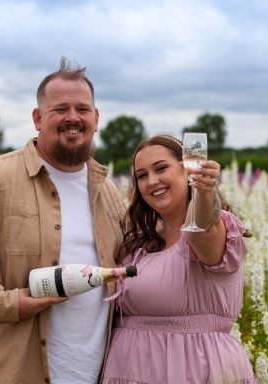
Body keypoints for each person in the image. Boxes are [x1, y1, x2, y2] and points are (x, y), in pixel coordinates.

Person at [0, 58, 126, 384]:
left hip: (93, 373)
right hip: (6, 372)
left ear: (96, 118)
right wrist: (8, 303)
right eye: (60, 109)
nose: (73, 118)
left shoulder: (109, 192)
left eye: (83, 109)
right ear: (37, 118)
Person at [102, 135, 257, 383]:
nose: (152, 181)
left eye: (161, 168)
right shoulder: (138, 242)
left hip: (193, 369)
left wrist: (204, 192)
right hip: (128, 369)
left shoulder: (213, 232)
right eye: (142, 175)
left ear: (187, 171)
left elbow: (201, 228)